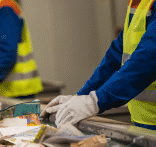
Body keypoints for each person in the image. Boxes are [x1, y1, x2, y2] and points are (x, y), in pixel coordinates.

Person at [43, 0, 156, 130]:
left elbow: (146, 61)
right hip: (146, 124)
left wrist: (96, 101)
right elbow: (116, 54)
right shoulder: (139, 2)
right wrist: (82, 97)